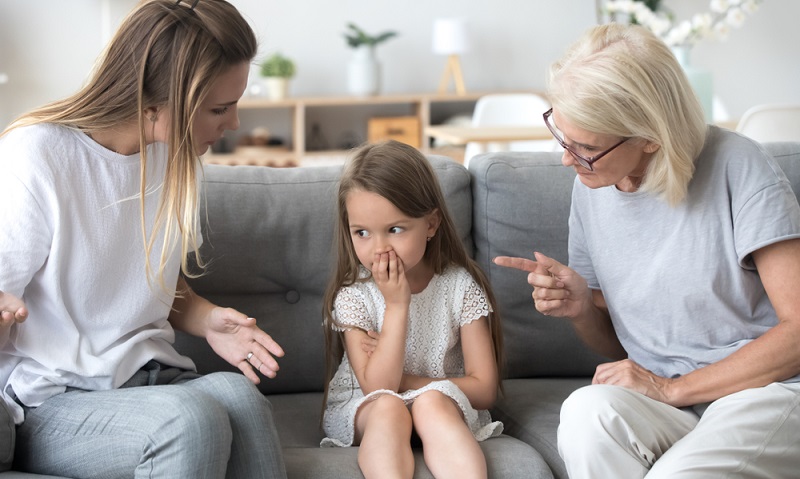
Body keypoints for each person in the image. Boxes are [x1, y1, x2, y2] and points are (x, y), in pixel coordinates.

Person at [494, 23, 800, 478]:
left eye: (586, 148)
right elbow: (623, 342)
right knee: (586, 413)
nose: (566, 159)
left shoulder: (740, 165)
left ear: (651, 136)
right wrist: (582, 308)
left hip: (762, 392)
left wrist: (671, 389)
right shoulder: (590, 188)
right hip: (667, 399)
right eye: (562, 135)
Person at [0, 1, 288, 477]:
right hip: (52, 402)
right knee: (187, 421)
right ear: (153, 105)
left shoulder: (170, 156)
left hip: (151, 380)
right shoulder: (37, 157)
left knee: (241, 398)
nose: (233, 123)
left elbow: (153, 284)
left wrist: (209, 318)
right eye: (220, 108)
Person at [320, 140, 504, 479]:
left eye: (395, 229)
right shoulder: (354, 295)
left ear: (431, 224)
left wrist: (413, 383)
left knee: (432, 401)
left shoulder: (459, 286)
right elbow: (378, 388)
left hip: (441, 405)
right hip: (368, 405)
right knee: (389, 407)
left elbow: (485, 389)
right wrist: (396, 303)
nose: (379, 249)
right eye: (362, 232)